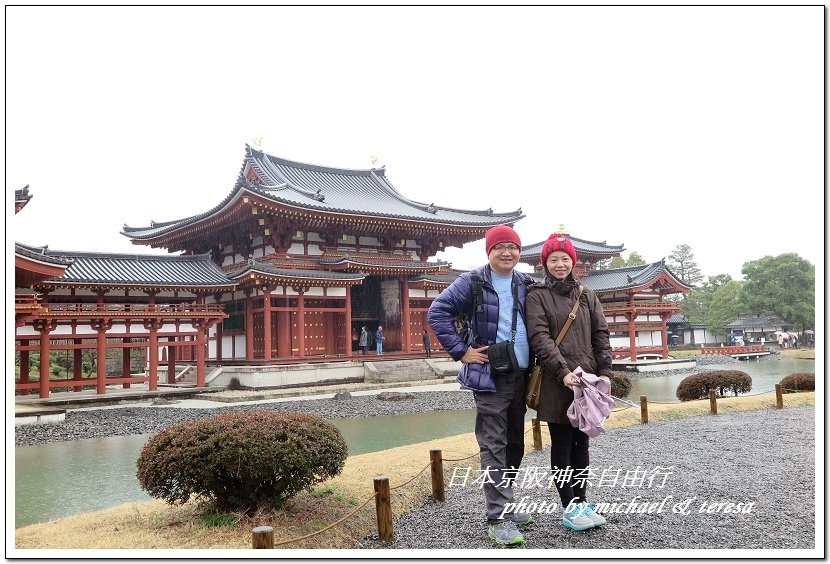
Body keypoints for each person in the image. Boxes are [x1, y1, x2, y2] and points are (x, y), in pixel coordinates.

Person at [427, 224, 535, 546]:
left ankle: (507, 500)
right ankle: (497, 516)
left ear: (519, 252)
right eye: (499, 247)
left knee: (514, 444)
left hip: (522, 375)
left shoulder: (526, 283)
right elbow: (438, 312)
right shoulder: (472, 281)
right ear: (489, 252)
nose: (506, 253)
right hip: (490, 376)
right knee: (493, 446)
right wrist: (461, 352)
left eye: (512, 247)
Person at [525, 233, 613, 532]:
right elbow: (540, 338)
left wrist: (605, 372)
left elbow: (600, 335)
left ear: (573, 261)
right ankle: (569, 507)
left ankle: (583, 500)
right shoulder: (537, 295)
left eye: (565, 258)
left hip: (586, 380)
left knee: (582, 443)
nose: (560, 264)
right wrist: (562, 371)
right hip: (555, 381)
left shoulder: (587, 294)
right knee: (562, 445)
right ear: (545, 264)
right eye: (553, 259)